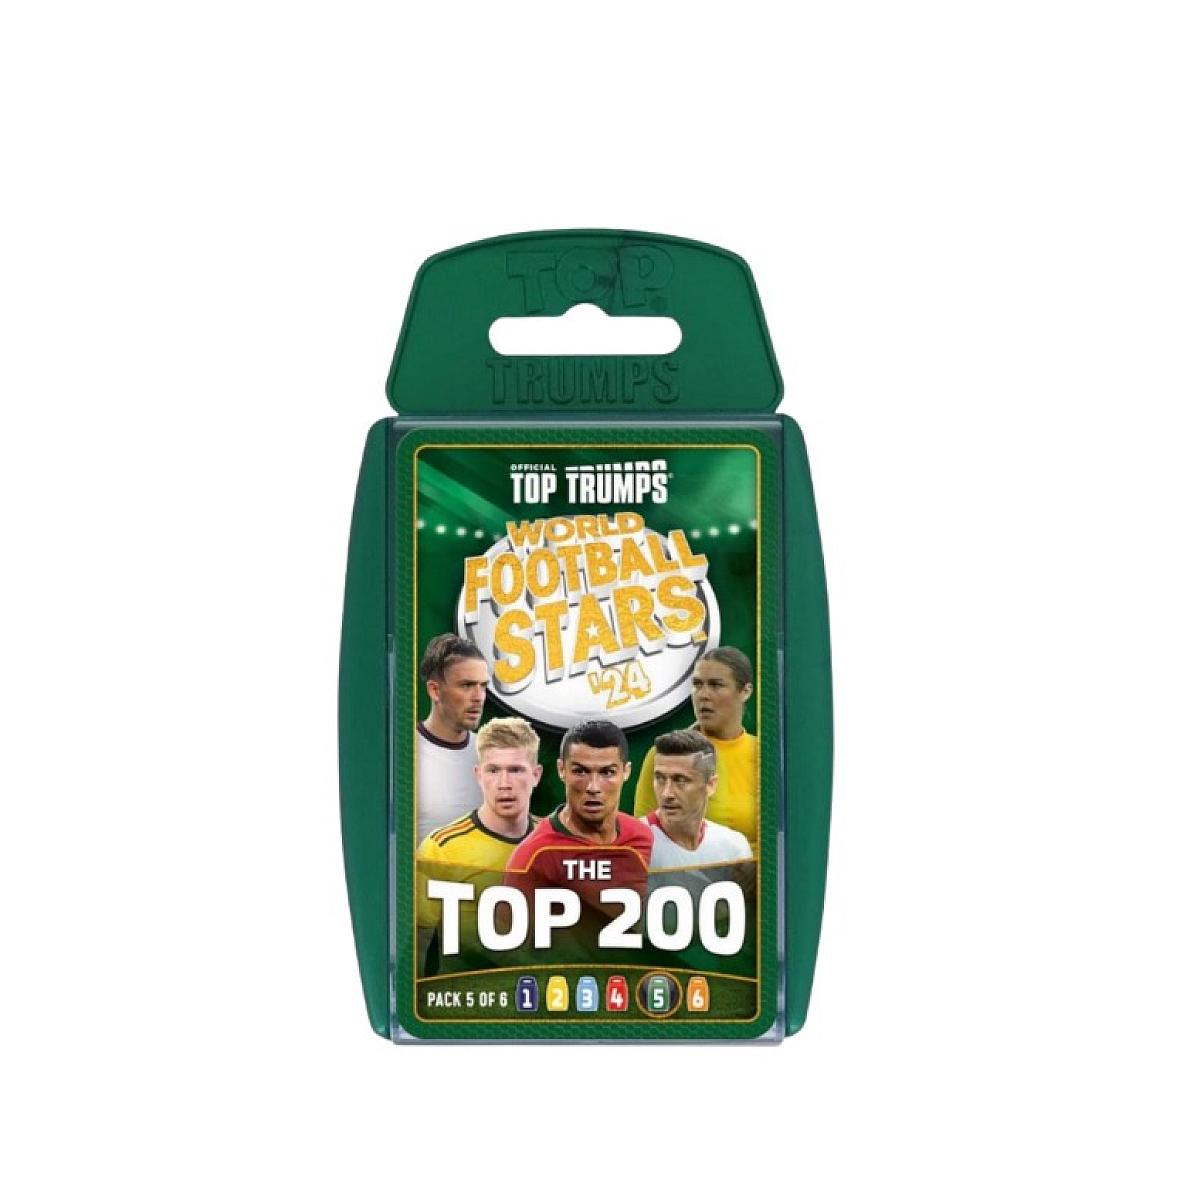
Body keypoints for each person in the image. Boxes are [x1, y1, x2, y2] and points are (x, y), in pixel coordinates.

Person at [416, 717, 542, 973]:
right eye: (493, 770)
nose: (504, 783)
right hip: (470, 994)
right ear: (478, 775)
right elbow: (415, 945)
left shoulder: (557, 843)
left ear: (536, 775)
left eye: (516, 770)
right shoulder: (442, 849)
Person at [505, 720, 652, 930]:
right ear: (561, 769)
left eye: (607, 772)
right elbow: (508, 941)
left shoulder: (643, 837)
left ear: (626, 772)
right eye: (580, 771)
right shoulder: (533, 858)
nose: (593, 787)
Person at [634, 646, 760, 856]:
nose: (703, 695)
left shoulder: (764, 755)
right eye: (697, 685)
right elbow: (644, 840)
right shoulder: (666, 756)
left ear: (745, 691)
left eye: (716, 685)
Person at [416, 633, 490, 844]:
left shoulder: (491, 754)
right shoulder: (404, 752)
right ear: (435, 690)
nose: (479, 697)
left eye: (483, 686)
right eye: (467, 685)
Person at [642, 729, 753, 869]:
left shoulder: (734, 848)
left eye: (680, 780)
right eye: (660, 778)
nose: (666, 793)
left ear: (711, 785)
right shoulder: (632, 845)